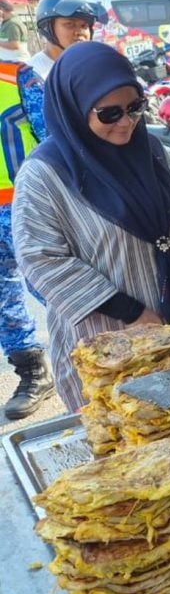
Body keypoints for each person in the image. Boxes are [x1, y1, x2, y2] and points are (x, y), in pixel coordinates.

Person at [12, 42, 170, 412]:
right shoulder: (45, 174)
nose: (126, 122)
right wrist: (130, 312)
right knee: (127, 445)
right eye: (109, 113)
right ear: (75, 111)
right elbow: (41, 258)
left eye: (135, 107)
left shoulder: (152, 151)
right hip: (108, 342)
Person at [0, 53, 53, 418]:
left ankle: (104, 357)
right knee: (3, 299)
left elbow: (54, 138)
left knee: (54, 286)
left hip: (24, 203)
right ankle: (33, 369)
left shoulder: (15, 76)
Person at [28, 0, 106, 80]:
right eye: (69, 24)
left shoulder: (93, 66)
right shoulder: (33, 74)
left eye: (84, 26)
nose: (79, 32)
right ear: (46, 28)